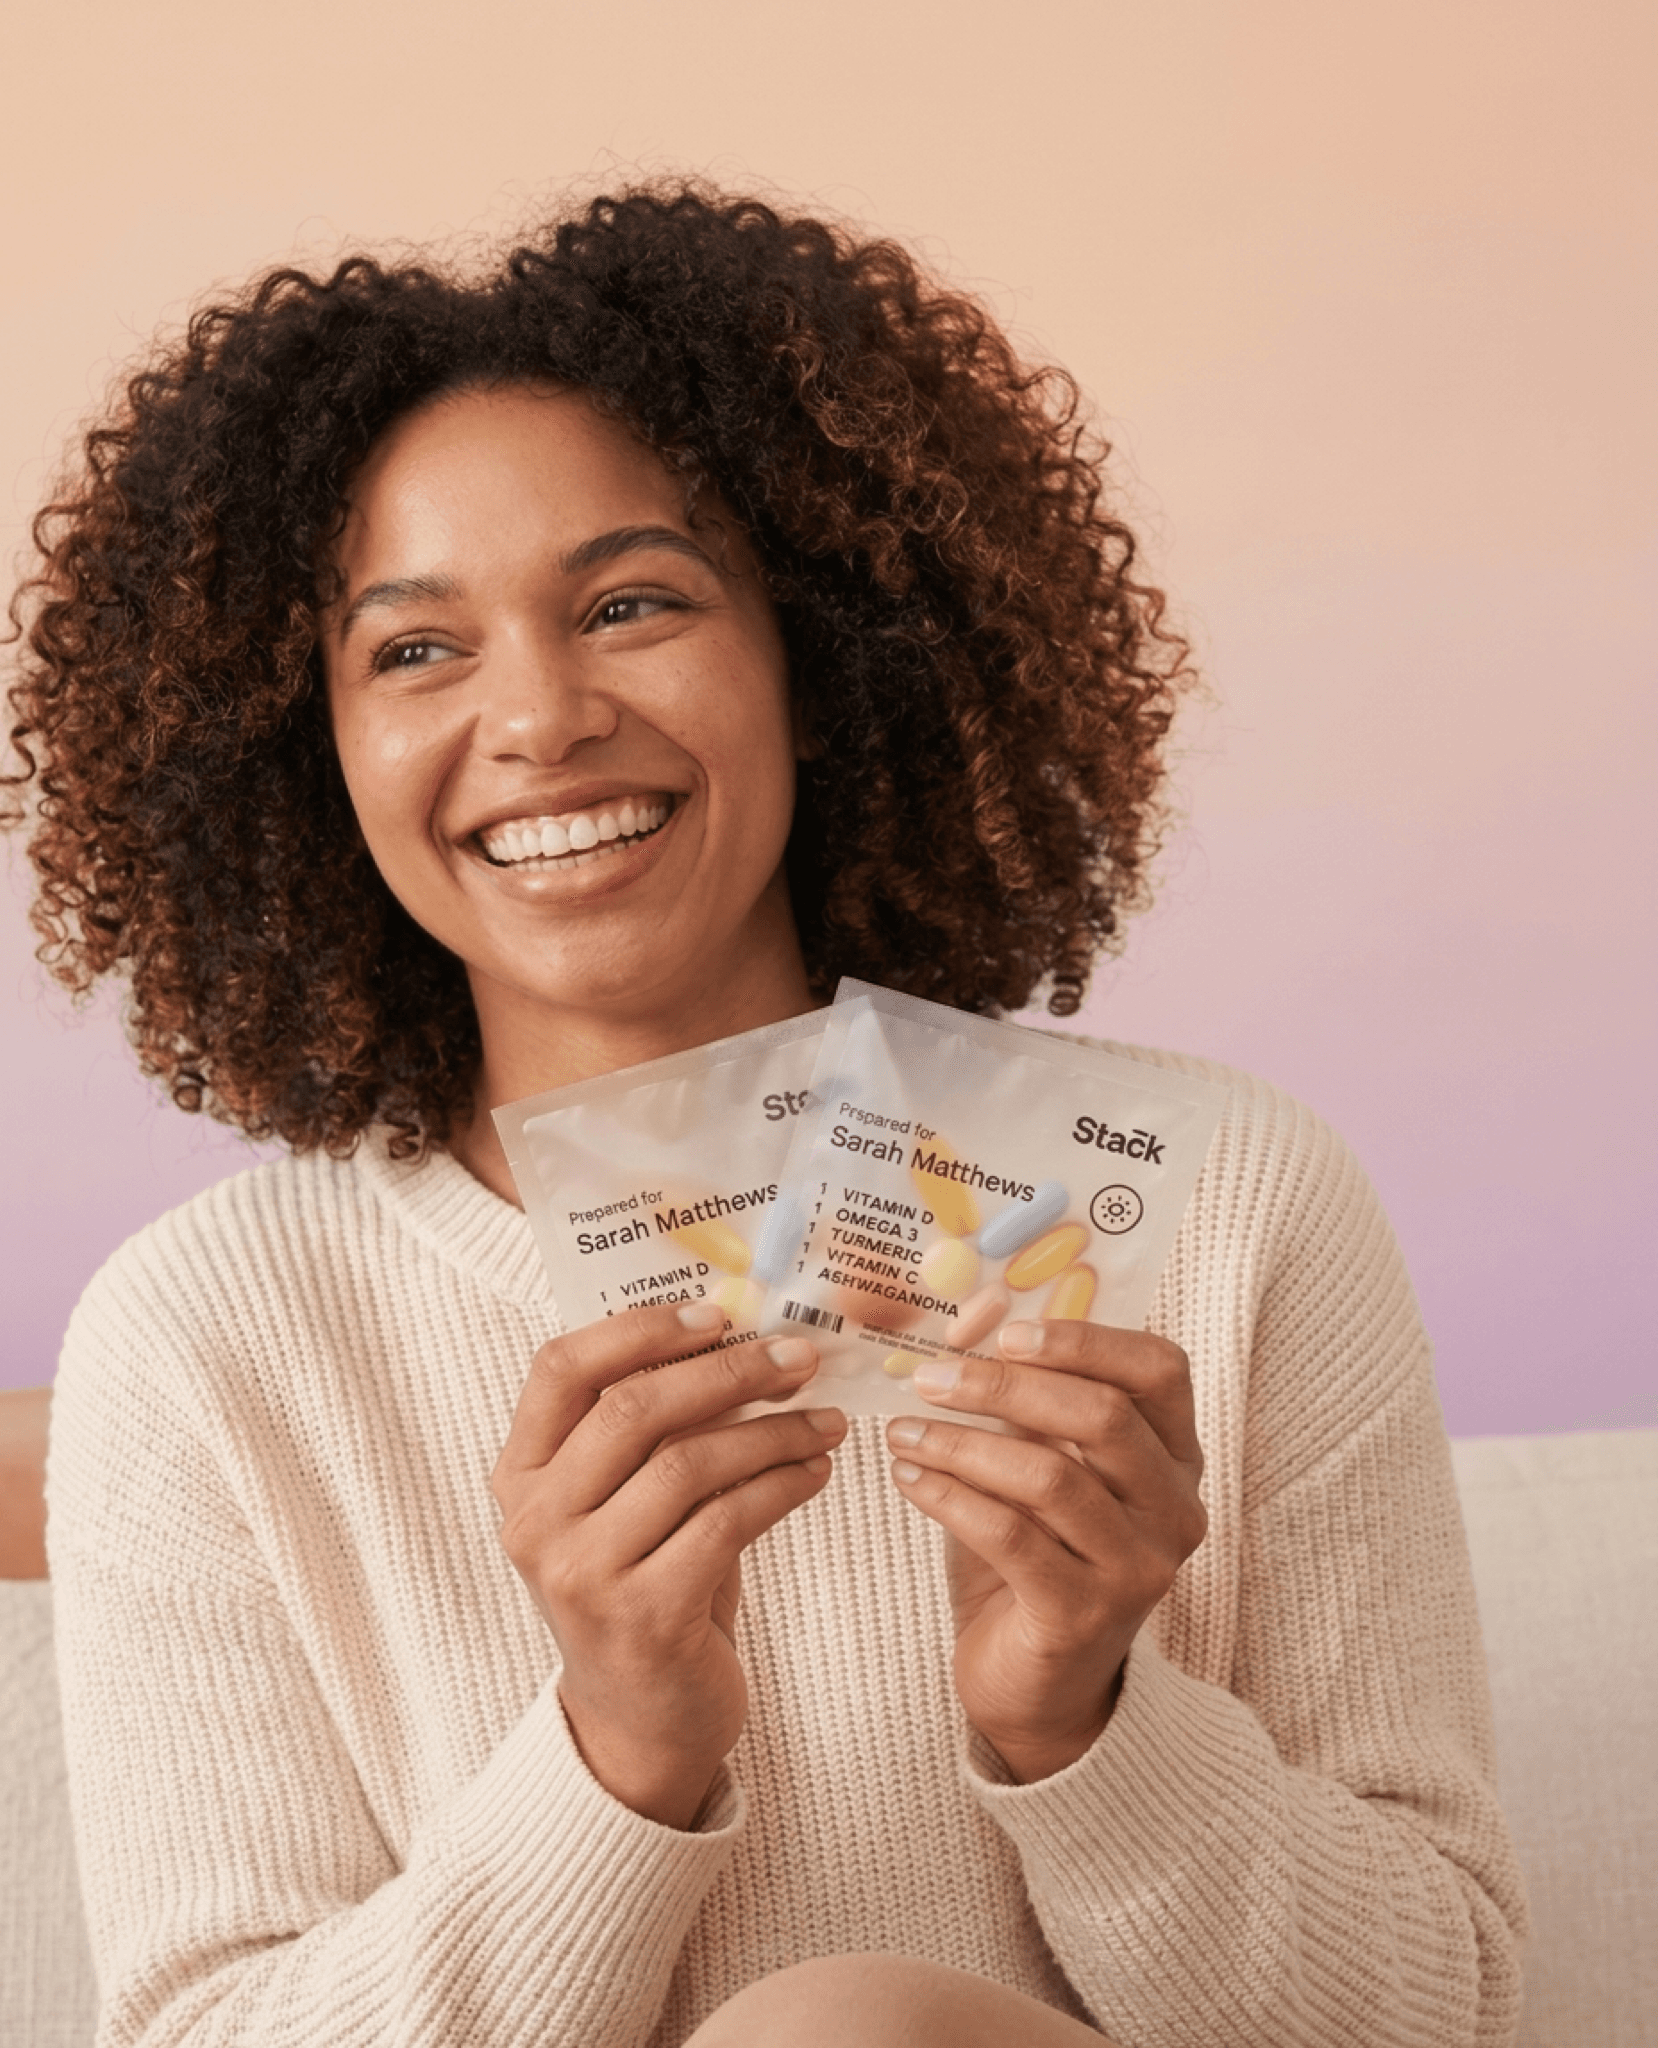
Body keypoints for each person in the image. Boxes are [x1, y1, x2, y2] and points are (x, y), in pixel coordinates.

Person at [5, 182, 1526, 2047]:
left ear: (824, 662)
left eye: (631, 603)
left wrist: (1086, 1718)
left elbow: (1441, 2009)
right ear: (304, 758)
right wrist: (615, 1752)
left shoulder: (1226, 1211)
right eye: (414, 649)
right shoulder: (208, 1342)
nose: (543, 717)